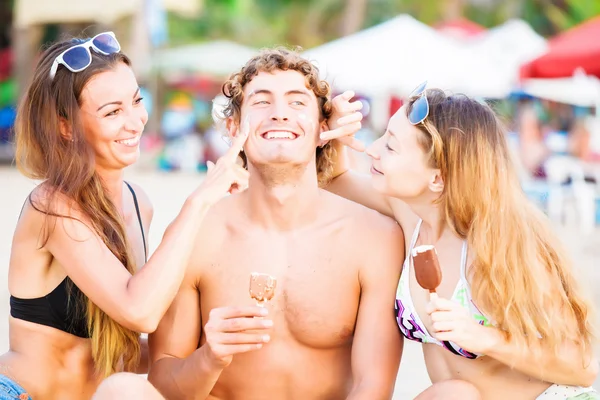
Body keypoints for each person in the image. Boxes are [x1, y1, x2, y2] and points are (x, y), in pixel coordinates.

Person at [142, 47, 405, 400]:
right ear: (233, 127)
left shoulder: (376, 238)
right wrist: (210, 358)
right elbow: (162, 383)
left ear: (323, 128)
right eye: (261, 102)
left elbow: (371, 387)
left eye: (297, 103)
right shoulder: (196, 234)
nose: (280, 114)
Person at [0, 32, 248, 400]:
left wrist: (211, 350)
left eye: (136, 101)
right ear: (66, 126)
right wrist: (199, 201)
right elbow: (140, 311)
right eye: (113, 112)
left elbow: (127, 352)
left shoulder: (138, 203)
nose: (135, 122)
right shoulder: (52, 206)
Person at [323, 81, 600, 399]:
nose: (372, 149)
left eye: (390, 146)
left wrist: (485, 339)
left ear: (437, 177)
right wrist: (334, 131)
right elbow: (332, 177)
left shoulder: (500, 244)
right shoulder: (410, 215)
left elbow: (582, 365)